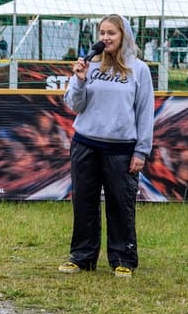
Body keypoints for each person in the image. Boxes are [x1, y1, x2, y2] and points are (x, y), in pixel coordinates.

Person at [60, 14, 154, 278]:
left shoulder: (139, 70)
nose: (105, 38)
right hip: (85, 145)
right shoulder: (90, 65)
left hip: (121, 150)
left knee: (120, 205)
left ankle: (123, 258)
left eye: (111, 32)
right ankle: (82, 257)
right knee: (84, 202)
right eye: (102, 32)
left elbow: (145, 112)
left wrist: (141, 151)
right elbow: (74, 105)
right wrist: (79, 80)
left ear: (124, 35)